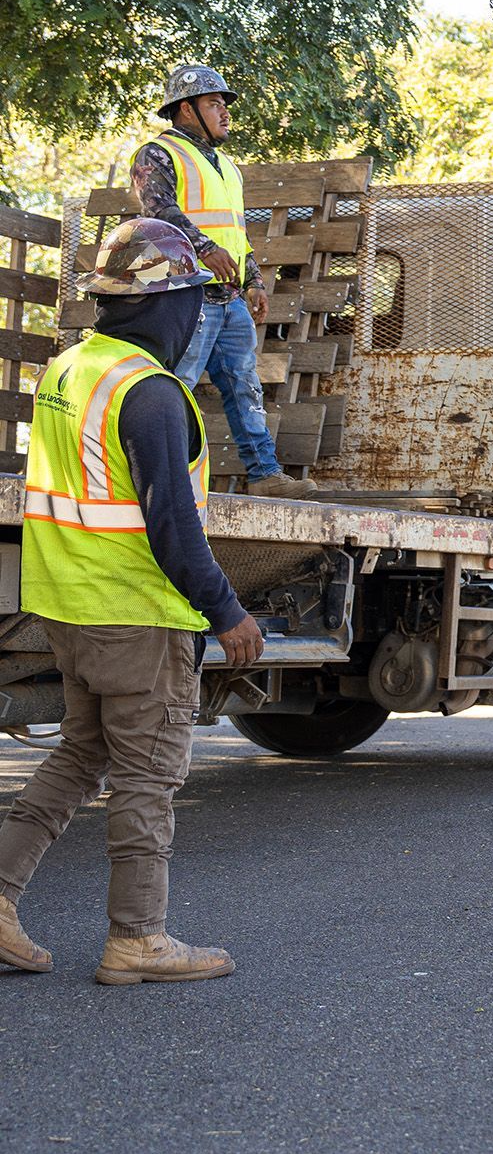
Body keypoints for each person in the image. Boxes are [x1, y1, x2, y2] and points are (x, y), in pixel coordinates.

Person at [0, 219, 264, 984]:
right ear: (166, 305)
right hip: (137, 614)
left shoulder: (69, 370)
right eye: (192, 301)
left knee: (82, 754)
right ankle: (137, 939)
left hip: (68, 607)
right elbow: (172, 526)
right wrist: (227, 612)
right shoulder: (149, 392)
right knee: (148, 775)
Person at [130, 63, 316, 498]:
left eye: (224, 104)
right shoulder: (156, 154)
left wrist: (252, 280)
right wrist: (203, 248)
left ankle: (266, 476)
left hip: (229, 298)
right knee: (174, 387)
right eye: (214, 104)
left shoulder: (227, 166)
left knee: (243, 385)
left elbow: (235, 230)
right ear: (186, 109)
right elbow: (159, 211)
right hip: (184, 295)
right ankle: (158, 478)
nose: (225, 112)